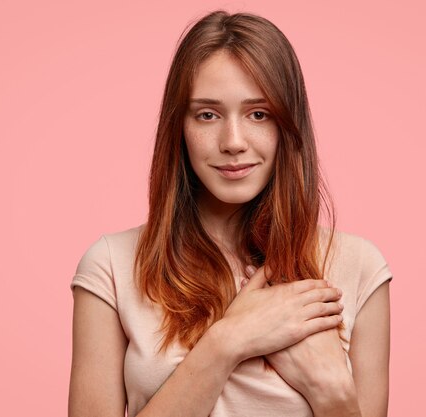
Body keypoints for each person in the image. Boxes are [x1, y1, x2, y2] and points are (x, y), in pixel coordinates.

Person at [68, 10, 393, 417]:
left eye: (259, 114)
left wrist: (332, 393)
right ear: (179, 127)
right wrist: (227, 342)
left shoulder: (360, 267)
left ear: (287, 126)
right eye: (208, 114)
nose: (233, 141)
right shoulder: (111, 267)